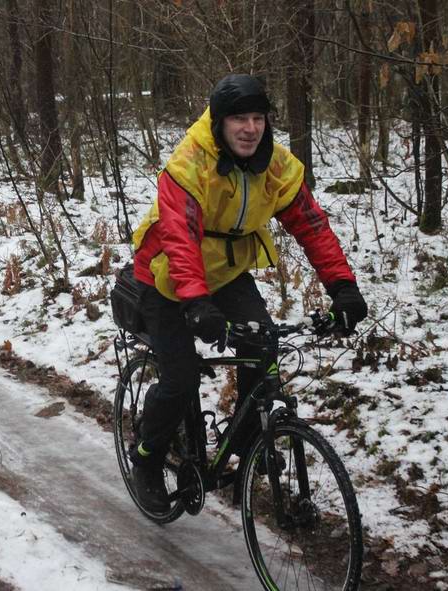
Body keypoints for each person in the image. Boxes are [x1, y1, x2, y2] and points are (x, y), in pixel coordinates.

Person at [128, 74, 368, 513]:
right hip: (164, 275)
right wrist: (197, 303)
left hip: (226, 272)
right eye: (239, 118)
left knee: (264, 344)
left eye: (259, 118)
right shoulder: (190, 163)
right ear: (219, 123)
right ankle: (146, 456)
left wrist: (343, 288)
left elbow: (311, 227)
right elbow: (180, 238)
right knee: (180, 379)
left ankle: (245, 439)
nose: (250, 128)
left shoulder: (275, 165)